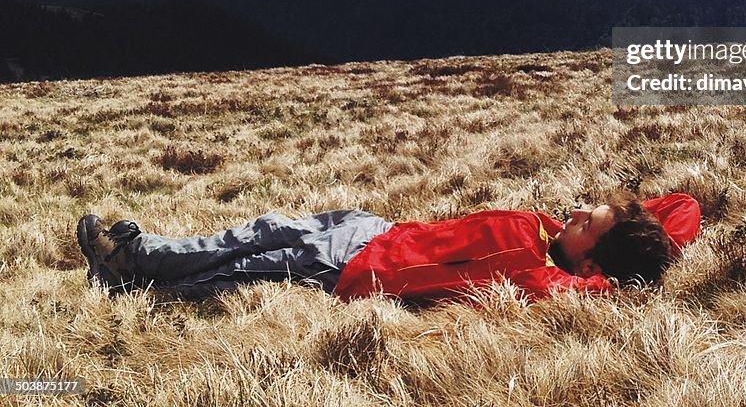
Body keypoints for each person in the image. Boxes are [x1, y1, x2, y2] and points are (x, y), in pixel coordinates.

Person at [76, 192, 700, 304]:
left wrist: (616, 280)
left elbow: (607, 282)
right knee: (256, 231)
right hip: (373, 230)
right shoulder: (543, 229)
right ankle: (138, 259)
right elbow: (683, 207)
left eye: (588, 223)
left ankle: (134, 272)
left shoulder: (542, 275)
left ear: (590, 262)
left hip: (352, 267)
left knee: (242, 269)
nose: (576, 212)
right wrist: (647, 235)